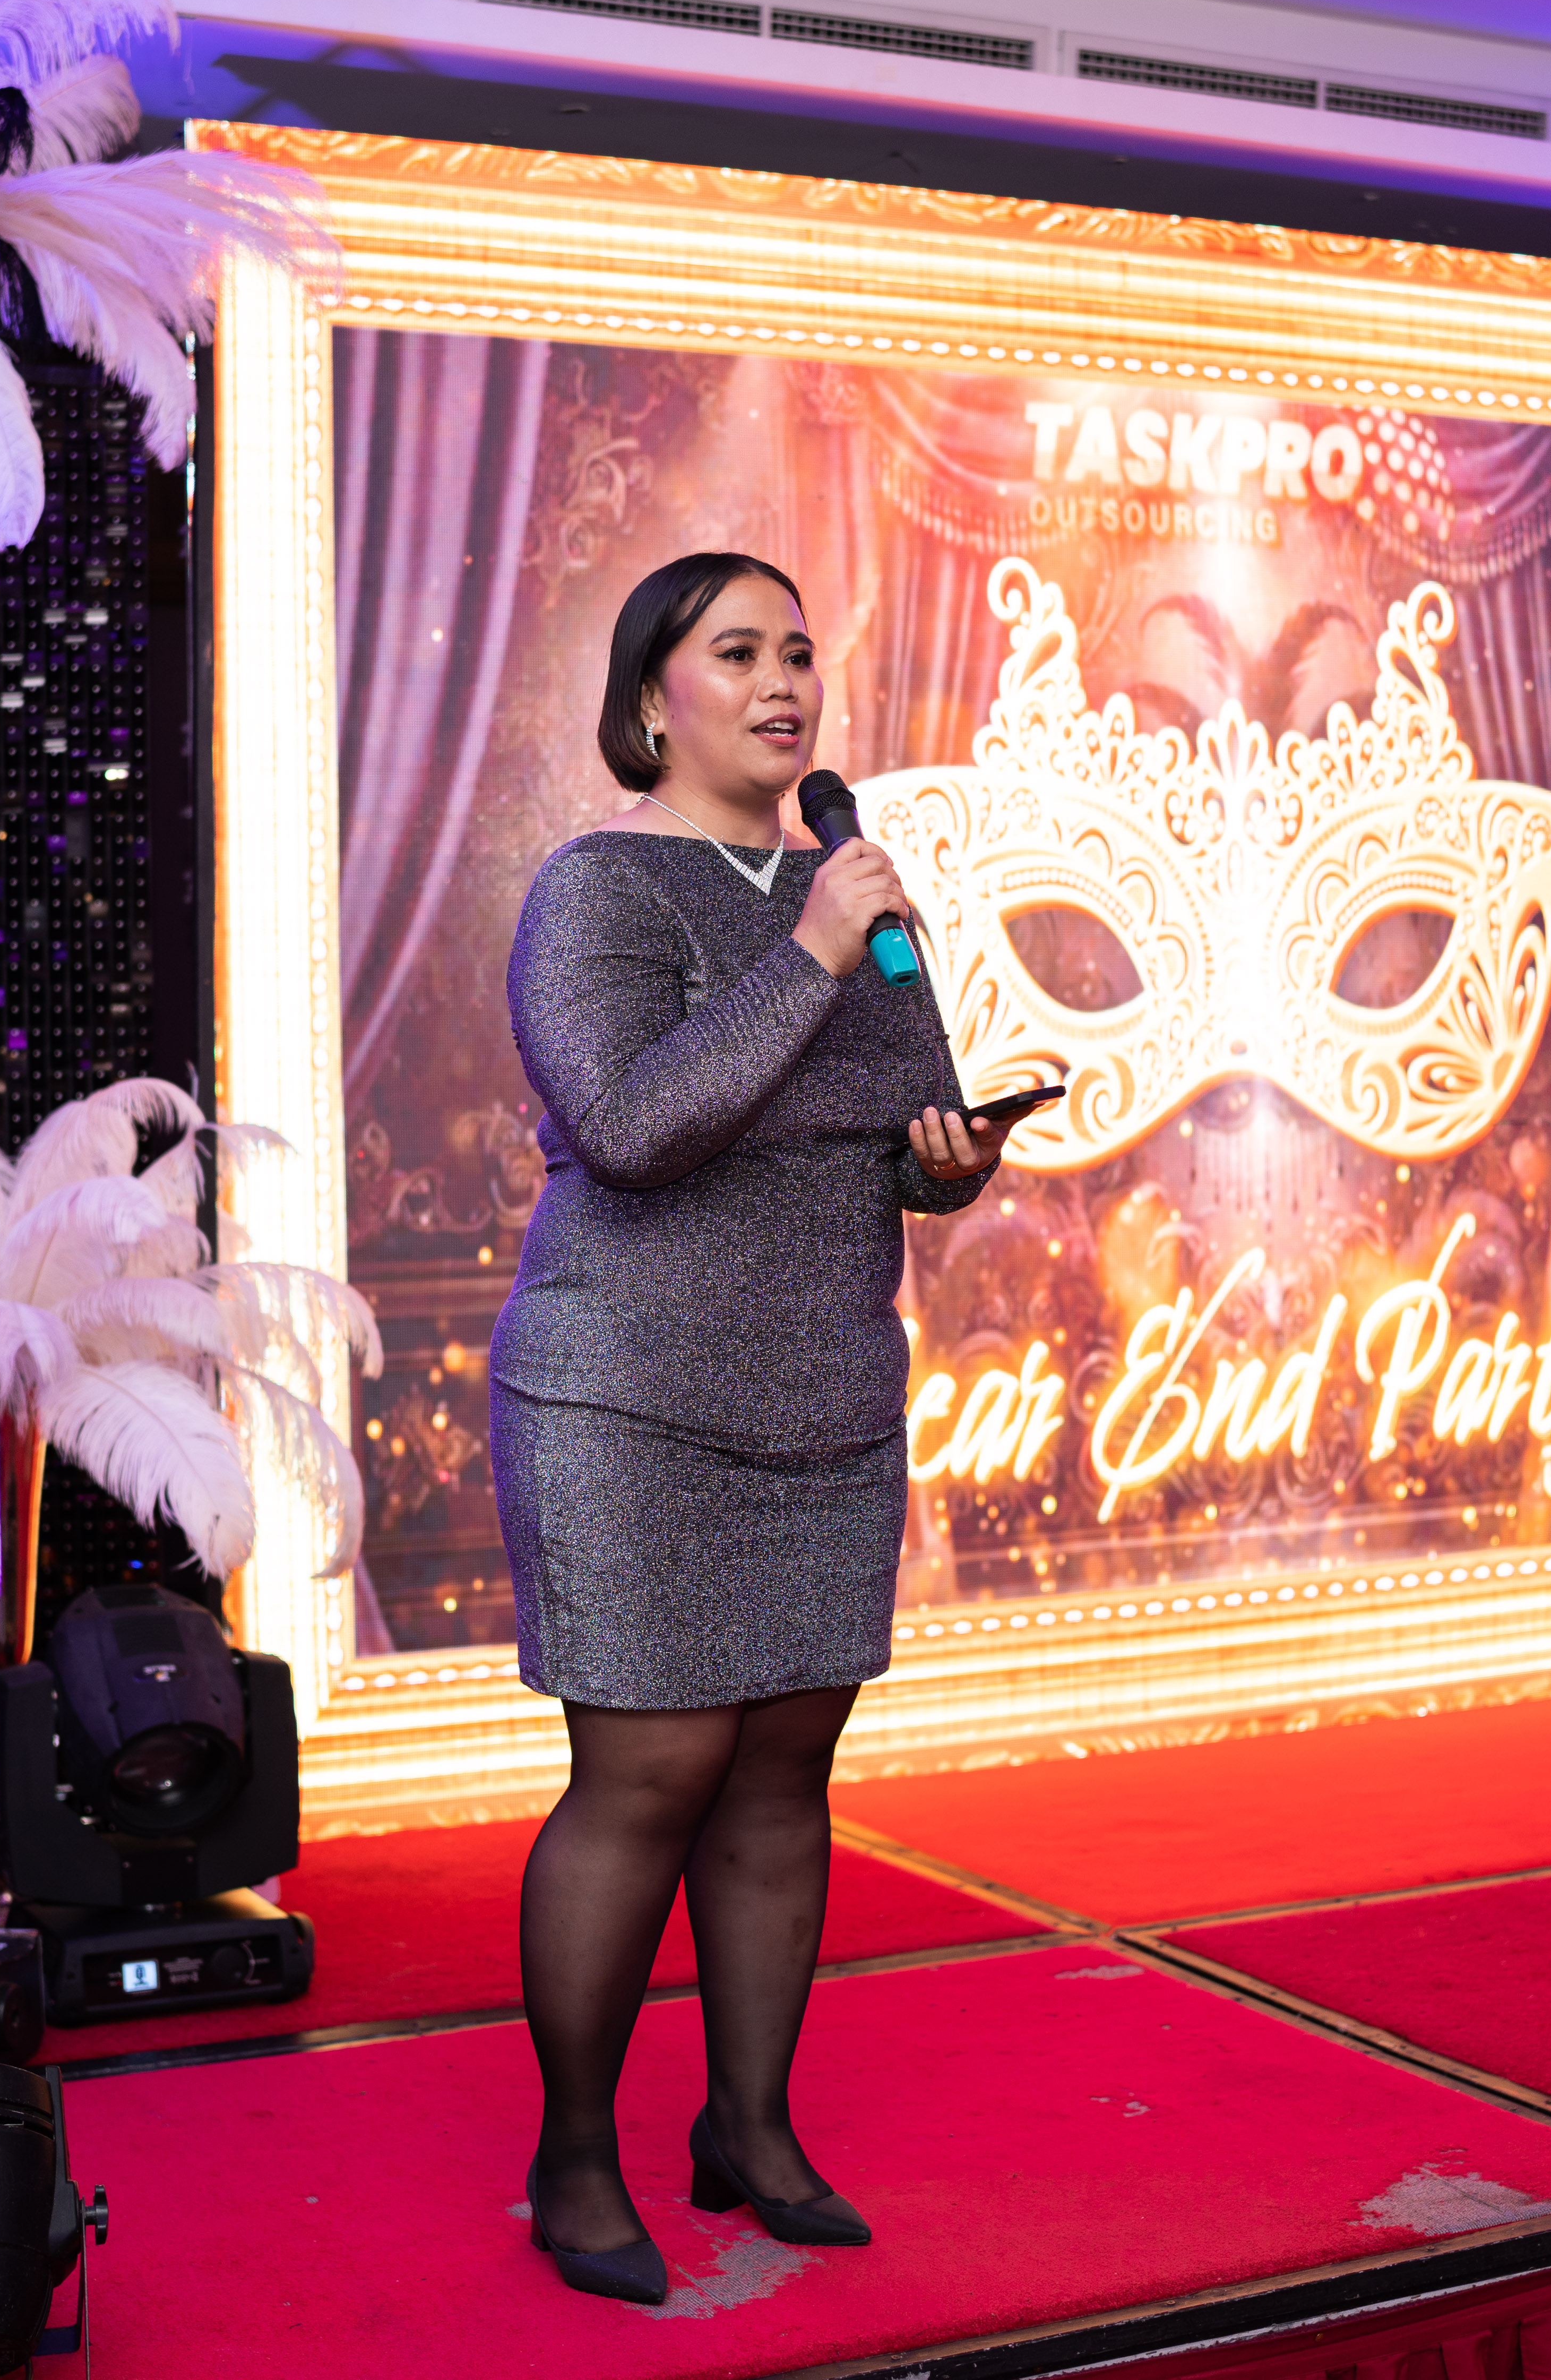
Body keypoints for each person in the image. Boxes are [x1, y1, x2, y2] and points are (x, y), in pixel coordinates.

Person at [488, 551, 1008, 2303]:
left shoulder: (855, 894)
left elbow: (904, 1126)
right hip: (628, 1400)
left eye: (798, 651)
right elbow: (637, 1128)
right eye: (738, 652)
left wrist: (952, 1161)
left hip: (826, 1402)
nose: (785, 680)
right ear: (654, 701)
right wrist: (807, 949)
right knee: (645, 1779)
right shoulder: (599, 893)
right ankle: (575, 2157)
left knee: (785, 1779)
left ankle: (751, 2128)